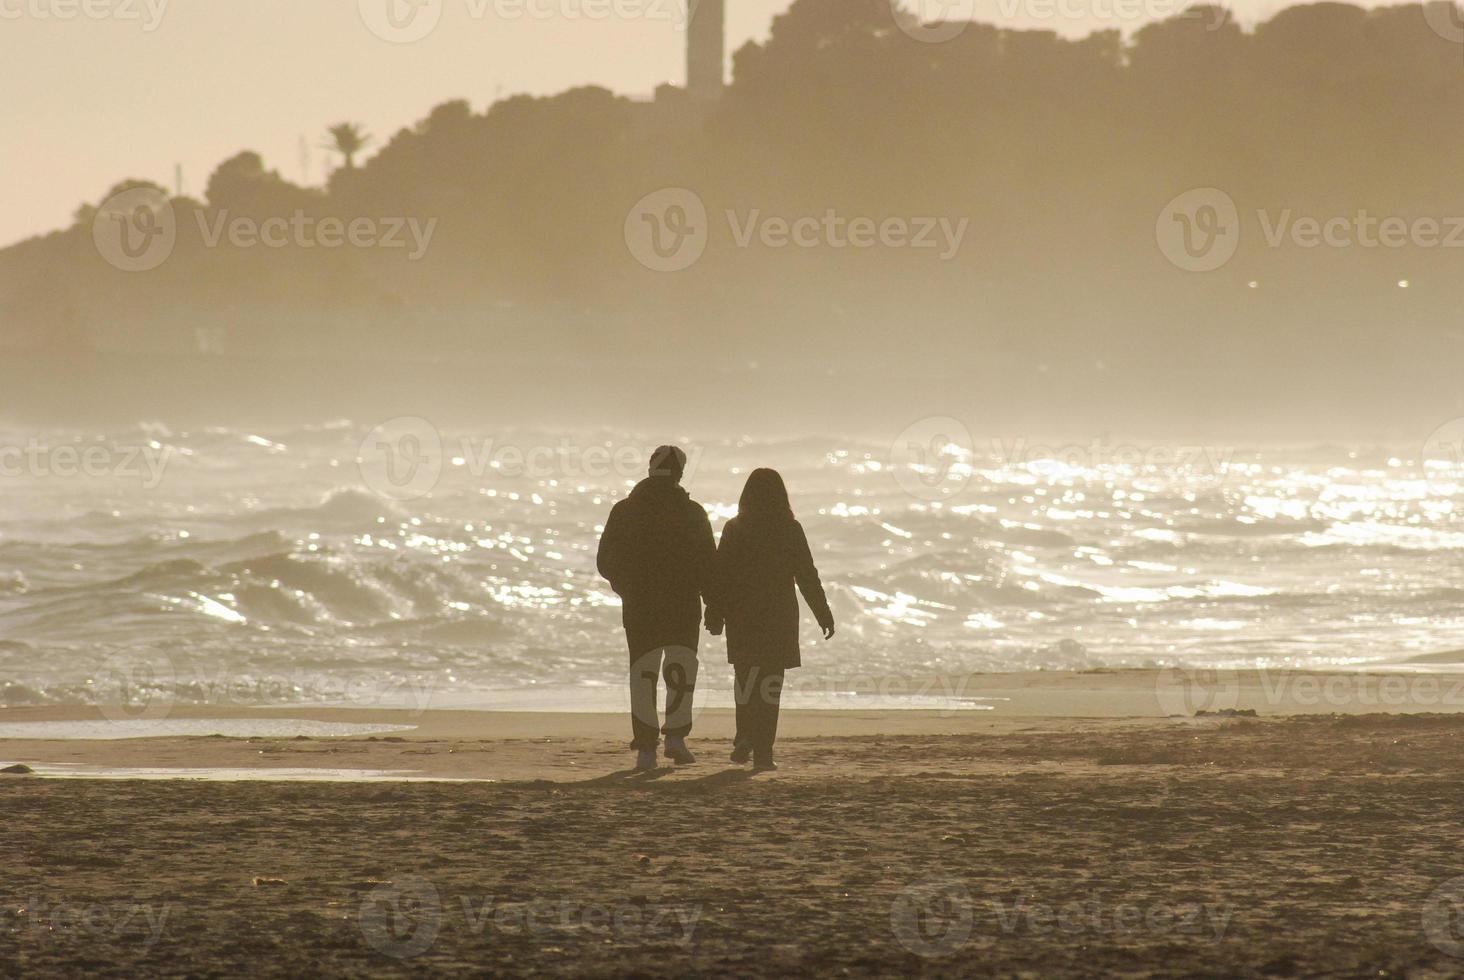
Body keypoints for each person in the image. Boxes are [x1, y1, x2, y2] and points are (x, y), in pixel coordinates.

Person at [597, 445, 717, 771]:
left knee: (643, 675)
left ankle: (646, 748)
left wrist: (626, 587)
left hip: (640, 607)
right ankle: (676, 738)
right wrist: (715, 606)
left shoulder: (625, 510)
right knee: (679, 672)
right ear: (679, 473)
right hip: (683, 605)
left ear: (650, 469)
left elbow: (605, 561)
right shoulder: (692, 512)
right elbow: (708, 565)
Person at [706, 468, 835, 772]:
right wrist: (823, 613)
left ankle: (743, 737)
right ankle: (763, 752)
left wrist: (715, 612)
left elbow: (720, 574)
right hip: (778, 614)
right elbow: (806, 575)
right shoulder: (790, 529)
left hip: (743, 613)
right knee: (770, 684)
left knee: (746, 678)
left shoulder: (735, 528)